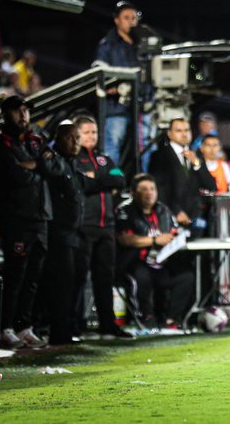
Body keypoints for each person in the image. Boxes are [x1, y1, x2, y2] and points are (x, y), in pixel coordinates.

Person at [0, 96, 64, 349]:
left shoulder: (36, 141)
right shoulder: (1, 143)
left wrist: (35, 165)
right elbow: (15, 175)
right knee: (16, 274)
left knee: (34, 275)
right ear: (6, 114)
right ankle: (6, 327)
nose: (23, 115)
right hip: (16, 216)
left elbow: (57, 168)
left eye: (25, 110)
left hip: (41, 216)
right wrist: (40, 165)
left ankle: (24, 326)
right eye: (17, 111)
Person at [73, 115, 133, 339]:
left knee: (105, 277)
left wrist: (94, 179)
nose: (92, 136)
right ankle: (74, 324)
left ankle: (107, 325)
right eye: (87, 132)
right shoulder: (74, 160)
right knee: (79, 277)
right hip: (84, 226)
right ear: (77, 135)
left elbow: (119, 179)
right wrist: (101, 180)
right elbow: (81, 184)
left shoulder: (104, 159)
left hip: (107, 226)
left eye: (94, 132)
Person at [115, 173, 193, 328]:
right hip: (135, 261)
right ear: (133, 193)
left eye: (152, 188)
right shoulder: (125, 210)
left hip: (161, 262)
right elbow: (124, 239)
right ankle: (146, 317)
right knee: (142, 275)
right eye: (144, 189)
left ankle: (171, 320)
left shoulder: (163, 210)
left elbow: (173, 231)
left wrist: (177, 236)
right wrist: (153, 241)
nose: (149, 192)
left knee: (186, 276)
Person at [42, 122, 91, 344]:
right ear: (59, 139)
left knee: (76, 280)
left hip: (75, 232)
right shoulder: (54, 161)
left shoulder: (72, 165)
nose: (75, 143)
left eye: (77, 138)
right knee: (62, 283)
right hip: (58, 232)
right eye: (70, 138)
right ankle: (58, 331)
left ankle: (70, 327)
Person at [95, 1, 147, 167]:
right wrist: (115, 88)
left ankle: (142, 185)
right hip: (116, 107)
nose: (131, 21)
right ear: (116, 20)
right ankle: (113, 184)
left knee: (144, 146)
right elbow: (99, 73)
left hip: (142, 107)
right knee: (112, 146)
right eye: (126, 17)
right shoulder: (107, 45)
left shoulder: (143, 45)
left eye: (134, 18)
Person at [148, 118, 217, 237]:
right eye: (179, 130)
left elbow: (211, 185)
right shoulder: (159, 156)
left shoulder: (196, 156)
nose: (184, 134)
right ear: (169, 133)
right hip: (171, 218)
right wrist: (175, 212)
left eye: (187, 130)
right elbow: (158, 189)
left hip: (195, 219)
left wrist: (197, 164)